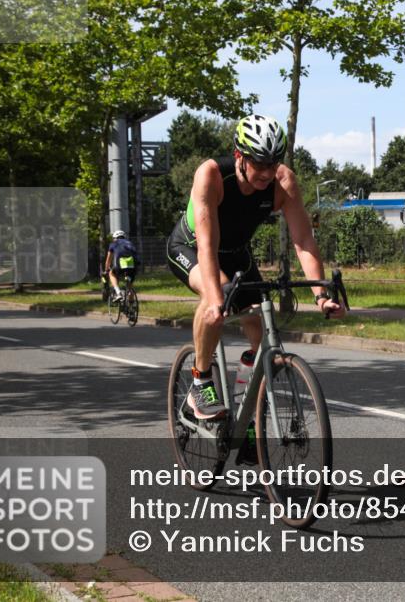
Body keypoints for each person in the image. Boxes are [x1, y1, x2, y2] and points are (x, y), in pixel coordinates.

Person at [166, 114, 346, 431]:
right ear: (240, 156)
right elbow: (207, 247)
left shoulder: (283, 181)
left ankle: (246, 413)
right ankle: (200, 381)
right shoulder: (211, 175)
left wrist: (321, 297)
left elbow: (303, 241)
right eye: (259, 163)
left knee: (260, 325)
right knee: (215, 303)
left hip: (237, 255)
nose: (266, 172)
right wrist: (216, 300)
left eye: (272, 163)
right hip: (192, 247)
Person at [105, 230, 139, 301]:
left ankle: (118, 293)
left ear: (115, 238)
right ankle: (131, 308)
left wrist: (106, 269)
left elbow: (108, 259)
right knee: (130, 286)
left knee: (111, 273)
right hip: (132, 266)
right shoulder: (130, 243)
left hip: (120, 265)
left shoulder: (114, 243)